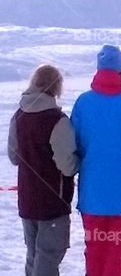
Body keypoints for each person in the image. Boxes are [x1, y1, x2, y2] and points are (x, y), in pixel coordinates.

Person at [71, 46, 121, 276]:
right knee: (119, 251)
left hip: (93, 192)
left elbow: (75, 144)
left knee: (95, 249)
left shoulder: (83, 103)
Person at [8, 64, 78, 276]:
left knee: (34, 257)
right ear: (57, 87)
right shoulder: (57, 120)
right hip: (52, 202)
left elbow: (14, 156)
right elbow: (67, 166)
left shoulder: (18, 116)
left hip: (27, 198)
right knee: (48, 258)